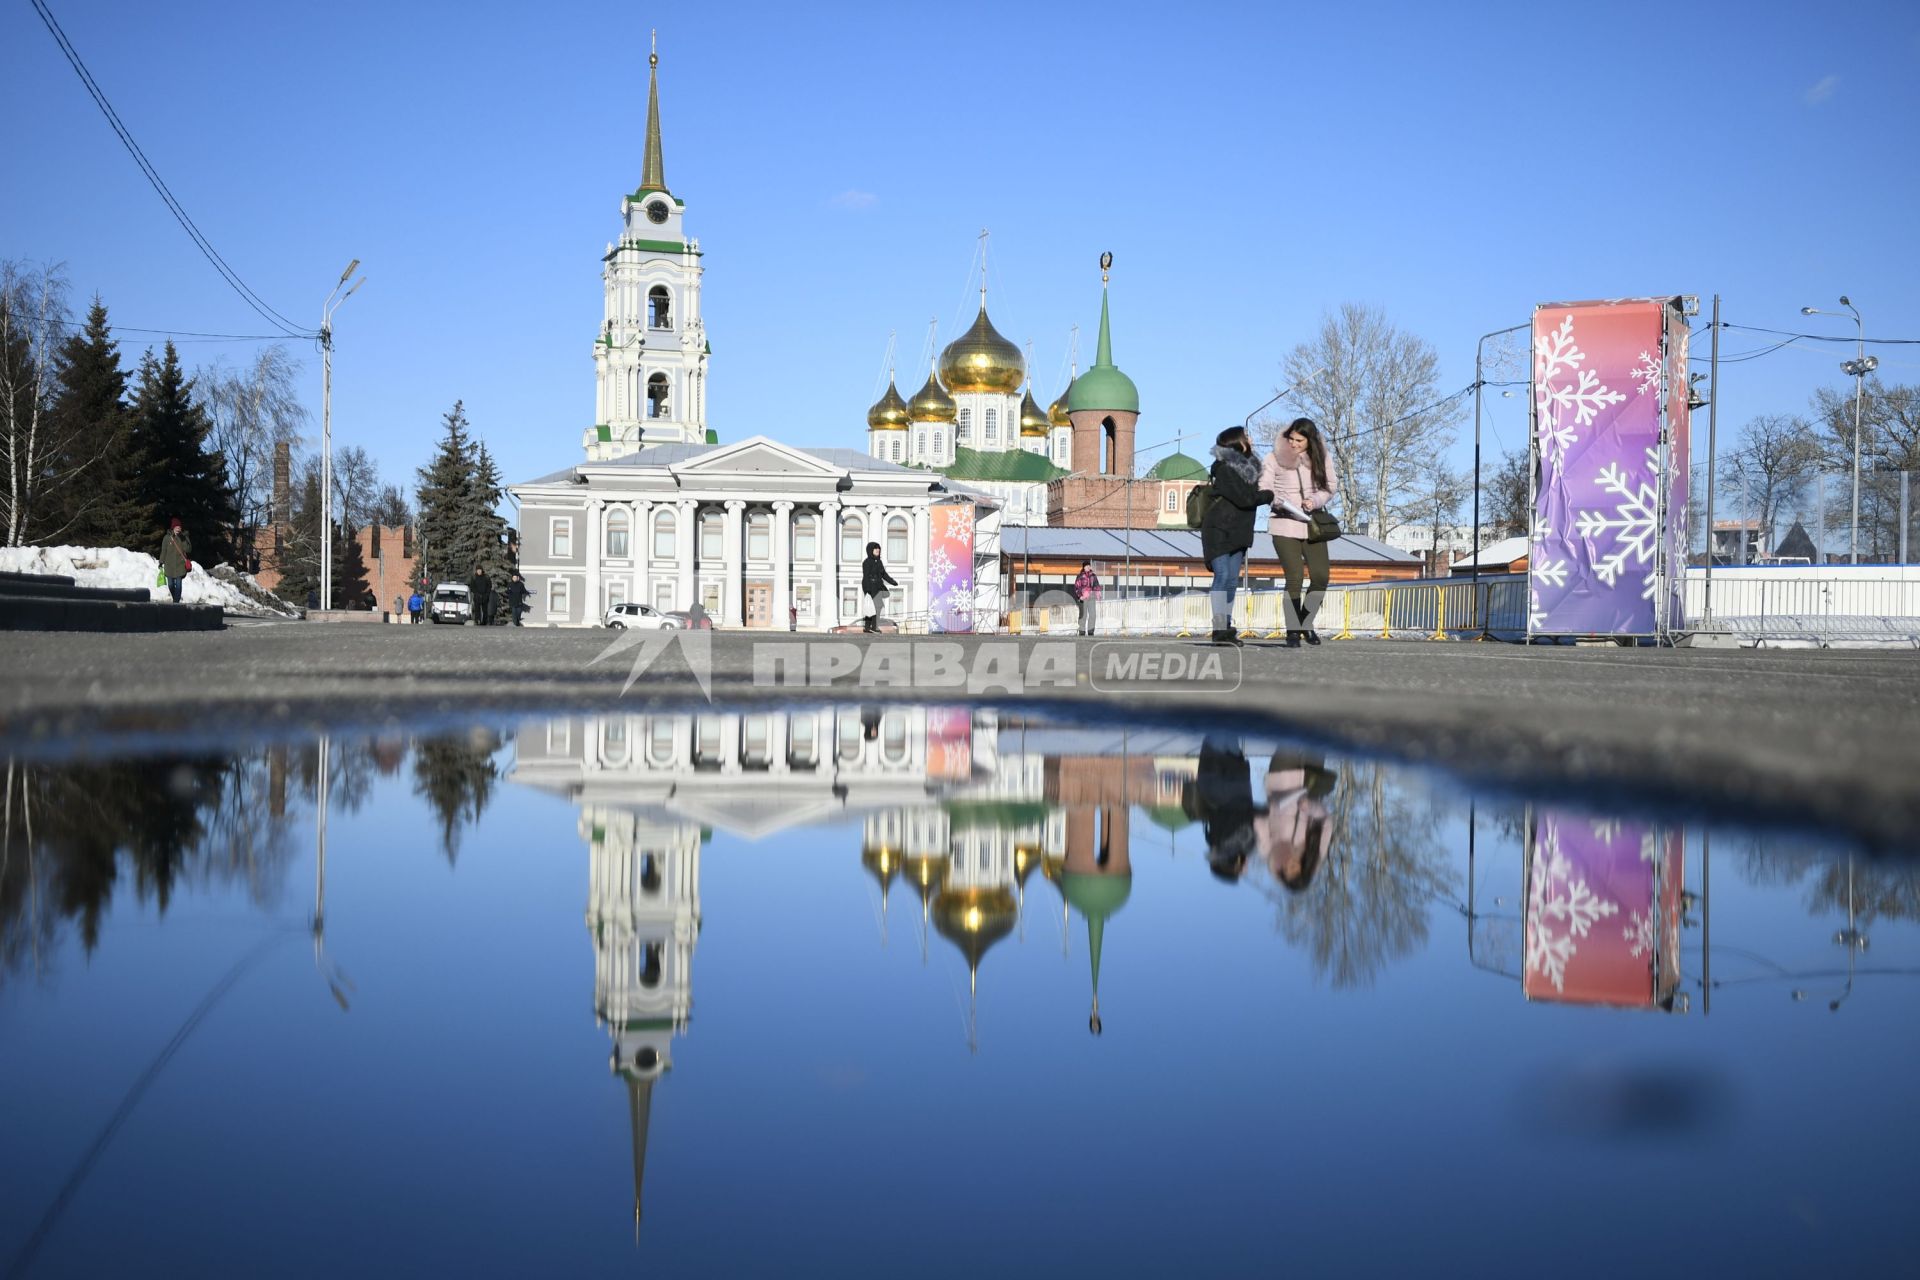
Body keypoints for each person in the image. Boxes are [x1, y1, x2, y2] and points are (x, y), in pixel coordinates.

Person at [1261, 417, 1339, 648]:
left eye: (1299, 440)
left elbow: (1330, 486)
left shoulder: (1321, 457)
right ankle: (1292, 630)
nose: (1294, 444)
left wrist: (1314, 500)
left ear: (1309, 441)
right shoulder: (1274, 458)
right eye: (1291, 439)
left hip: (1313, 525)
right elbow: (1264, 486)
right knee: (1294, 577)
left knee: (1321, 577)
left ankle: (1306, 622)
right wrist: (1275, 499)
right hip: (1284, 523)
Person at [1200, 426, 1273, 646]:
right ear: (1237, 442)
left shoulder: (1246, 467)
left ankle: (1226, 626)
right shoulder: (1225, 468)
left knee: (1232, 580)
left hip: (1238, 530)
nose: (1251, 439)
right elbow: (1245, 499)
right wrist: (1269, 495)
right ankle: (1219, 628)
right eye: (1246, 436)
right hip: (1219, 529)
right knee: (1222, 576)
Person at [1255, 749, 1336, 891]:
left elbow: (1259, 821)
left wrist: (1272, 809)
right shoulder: (1315, 854)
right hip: (1311, 783)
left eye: (1288, 870)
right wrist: (1310, 807)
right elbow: (1326, 823)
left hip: (1281, 781)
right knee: (1317, 737)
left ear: (1282, 873)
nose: (1291, 864)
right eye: (1296, 868)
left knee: (1289, 737)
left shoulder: (1268, 852)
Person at [861, 541, 897, 634]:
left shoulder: (879, 562)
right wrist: (867, 590)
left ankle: (868, 628)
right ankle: (873, 627)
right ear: (870, 550)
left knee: (874, 608)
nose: (878, 550)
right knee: (874, 607)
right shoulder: (867, 562)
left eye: (879, 548)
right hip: (870, 587)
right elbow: (866, 576)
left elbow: (884, 574)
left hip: (878, 588)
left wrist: (892, 581)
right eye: (875, 548)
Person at [158, 517, 192, 604]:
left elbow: (188, 549)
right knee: (171, 585)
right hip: (169, 565)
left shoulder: (184, 537)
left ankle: (176, 602)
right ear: (173, 528)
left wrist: (183, 539)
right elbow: (164, 550)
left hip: (180, 565)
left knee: (179, 584)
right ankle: (175, 598)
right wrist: (161, 562)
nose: (178, 528)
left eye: (179, 527)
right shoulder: (167, 538)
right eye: (176, 527)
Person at [1072, 560, 1101, 636]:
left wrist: (1097, 592)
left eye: (1089, 565)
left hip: (1092, 597)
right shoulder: (1080, 576)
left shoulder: (1093, 576)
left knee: (1093, 614)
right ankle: (1082, 630)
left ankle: (1091, 630)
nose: (1088, 567)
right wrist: (1080, 596)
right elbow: (1076, 587)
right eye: (1087, 565)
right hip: (1083, 598)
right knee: (1083, 615)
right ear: (1084, 567)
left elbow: (1096, 585)